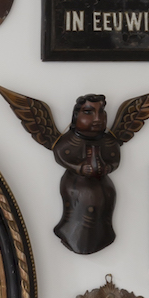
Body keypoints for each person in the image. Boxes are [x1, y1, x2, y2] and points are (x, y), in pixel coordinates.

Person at [51, 93, 120, 256]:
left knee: (103, 214)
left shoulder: (108, 140)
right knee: (84, 208)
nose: (97, 118)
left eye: (101, 112)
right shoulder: (70, 140)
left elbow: (115, 159)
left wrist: (108, 167)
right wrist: (79, 168)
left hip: (103, 185)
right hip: (77, 185)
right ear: (76, 116)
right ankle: (74, 237)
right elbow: (60, 155)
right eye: (89, 112)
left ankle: (103, 237)